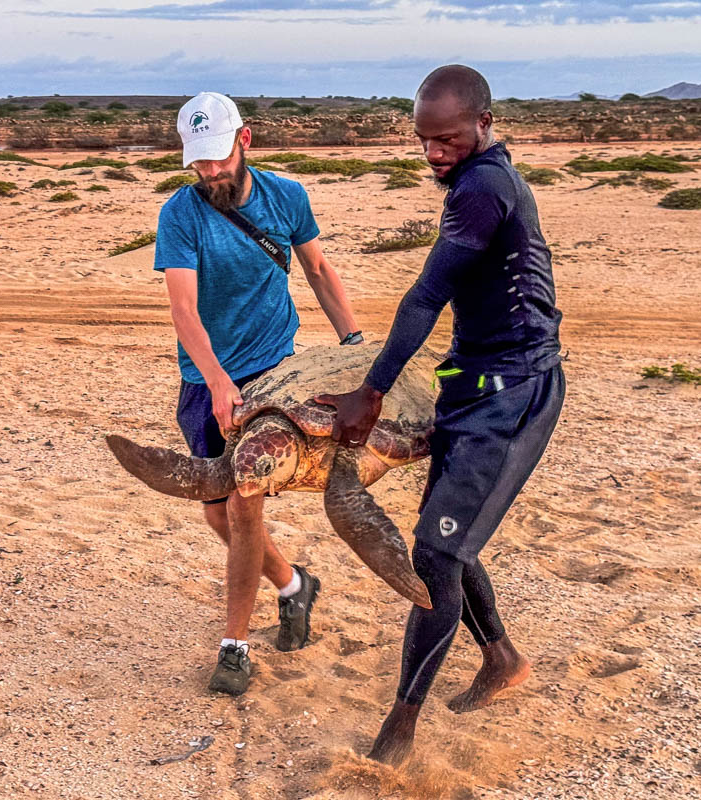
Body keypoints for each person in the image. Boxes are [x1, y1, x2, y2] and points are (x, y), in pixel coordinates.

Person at [315, 65, 565, 763]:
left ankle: (402, 722)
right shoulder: (477, 177)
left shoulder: (485, 187)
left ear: (485, 124)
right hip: (475, 383)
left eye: (447, 138)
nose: (433, 153)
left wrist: (374, 390)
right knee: (448, 540)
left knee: (436, 552)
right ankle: (502, 659)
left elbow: (426, 296)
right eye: (424, 140)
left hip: (515, 394)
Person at [154, 92, 362, 696]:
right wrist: (217, 380)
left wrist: (353, 343)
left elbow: (319, 271)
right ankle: (295, 585)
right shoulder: (181, 214)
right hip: (205, 379)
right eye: (199, 162)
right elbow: (184, 310)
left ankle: (235, 647)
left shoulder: (286, 197)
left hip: (271, 374)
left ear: (245, 141)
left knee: (244, 506)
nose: (211, 172)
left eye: (218, 158)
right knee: (217, 511)